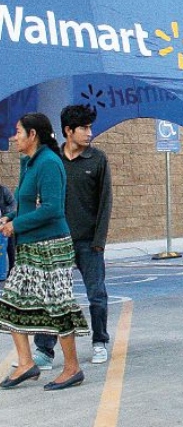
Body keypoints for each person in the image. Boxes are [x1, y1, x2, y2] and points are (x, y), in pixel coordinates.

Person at [0, 113, 89, 390]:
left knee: (59, 305)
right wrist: (11, 217)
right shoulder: (29, 162)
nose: (14, 137)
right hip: (29, 248)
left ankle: (72, 368)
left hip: (51, 247)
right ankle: (26, 363)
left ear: (33, 135)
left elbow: (52, 208)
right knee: (10, 302)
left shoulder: (49, 163)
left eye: (18, 132)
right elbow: (27, 204)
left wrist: (16, 225)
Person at [34, 105, 113, 368]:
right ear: (69, 131)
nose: (89, 133)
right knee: (52, 297)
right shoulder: (51, 160)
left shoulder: (97, 159)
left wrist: (99, 241)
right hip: (57, 241)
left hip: (89, 243)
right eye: (84, 128)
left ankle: (99, 341)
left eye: (90, 127)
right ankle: (45, 351)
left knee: (97, 294)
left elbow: (105, 202)